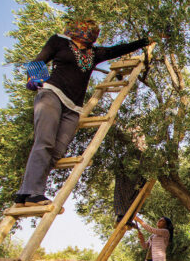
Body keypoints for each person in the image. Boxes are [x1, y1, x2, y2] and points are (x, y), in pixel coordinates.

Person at [15, 20, 151, 207]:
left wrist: (143, 42)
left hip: (74, 108)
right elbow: (38, 61)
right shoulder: (59, 41)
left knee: (57, 151)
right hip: (51, 95)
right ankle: (32, 192)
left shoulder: (93, 54)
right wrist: (34, 79)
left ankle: (26, 193)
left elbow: (115, 50)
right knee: (44, 141)